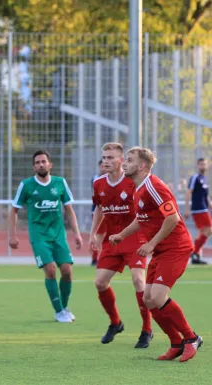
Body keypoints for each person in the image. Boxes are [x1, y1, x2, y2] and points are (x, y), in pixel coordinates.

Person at [109, 147, 202, 362]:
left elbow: (173, 218)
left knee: (158, 297)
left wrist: (151, 243)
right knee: (149, 300)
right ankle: (176, 343)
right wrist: (121, 235)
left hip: (176, 247)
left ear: (141, 166)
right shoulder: (138, 187)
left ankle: (191, 338)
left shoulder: (154, 186)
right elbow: (141, 218)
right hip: (161, 249)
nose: (124, 163)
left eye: (130, 160)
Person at [89, 143, 152, 348]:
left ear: (121, 161)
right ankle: (115, 323)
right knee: (99, 283)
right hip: (111, 240)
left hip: (134, 237)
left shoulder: (132, 182)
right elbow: (99, 209)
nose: (106, 161)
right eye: (104, 157)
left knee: (138, 281)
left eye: (110, 157)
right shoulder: (98, 183)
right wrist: (95, 235)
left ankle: (147, 330)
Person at [8, 149, 83, 323]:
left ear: (50, 164)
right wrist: (12, 235)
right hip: (39, 236)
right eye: (37, 162)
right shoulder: (26, 185)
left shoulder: (60, 183)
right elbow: (13, 211)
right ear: (33, 167)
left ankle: (63, 307)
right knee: (50, 270)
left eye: (43, 161)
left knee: (67, 271)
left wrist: (77, 234)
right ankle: (58, 311)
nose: (41, 164)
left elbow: (69, 210)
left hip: (58, 235)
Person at [184, 158, 210, 265]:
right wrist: (187, 209)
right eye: (200, 164)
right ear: (197, 165)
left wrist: (210, 205)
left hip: (204, 208)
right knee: (209, 230)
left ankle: (196, 255)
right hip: (198, 209)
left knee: (203, 232)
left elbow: (205, 196)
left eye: (204, 164)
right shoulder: (195, 177)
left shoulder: (204, 178)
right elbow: (188, 193)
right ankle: (194, 251)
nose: (203, 166)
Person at [90, 160, 106, 266]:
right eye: (101, 166)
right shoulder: (96, 179)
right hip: (98, 210)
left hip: (111, 211)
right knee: (97, 234)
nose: (103, 168)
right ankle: (95, 258)